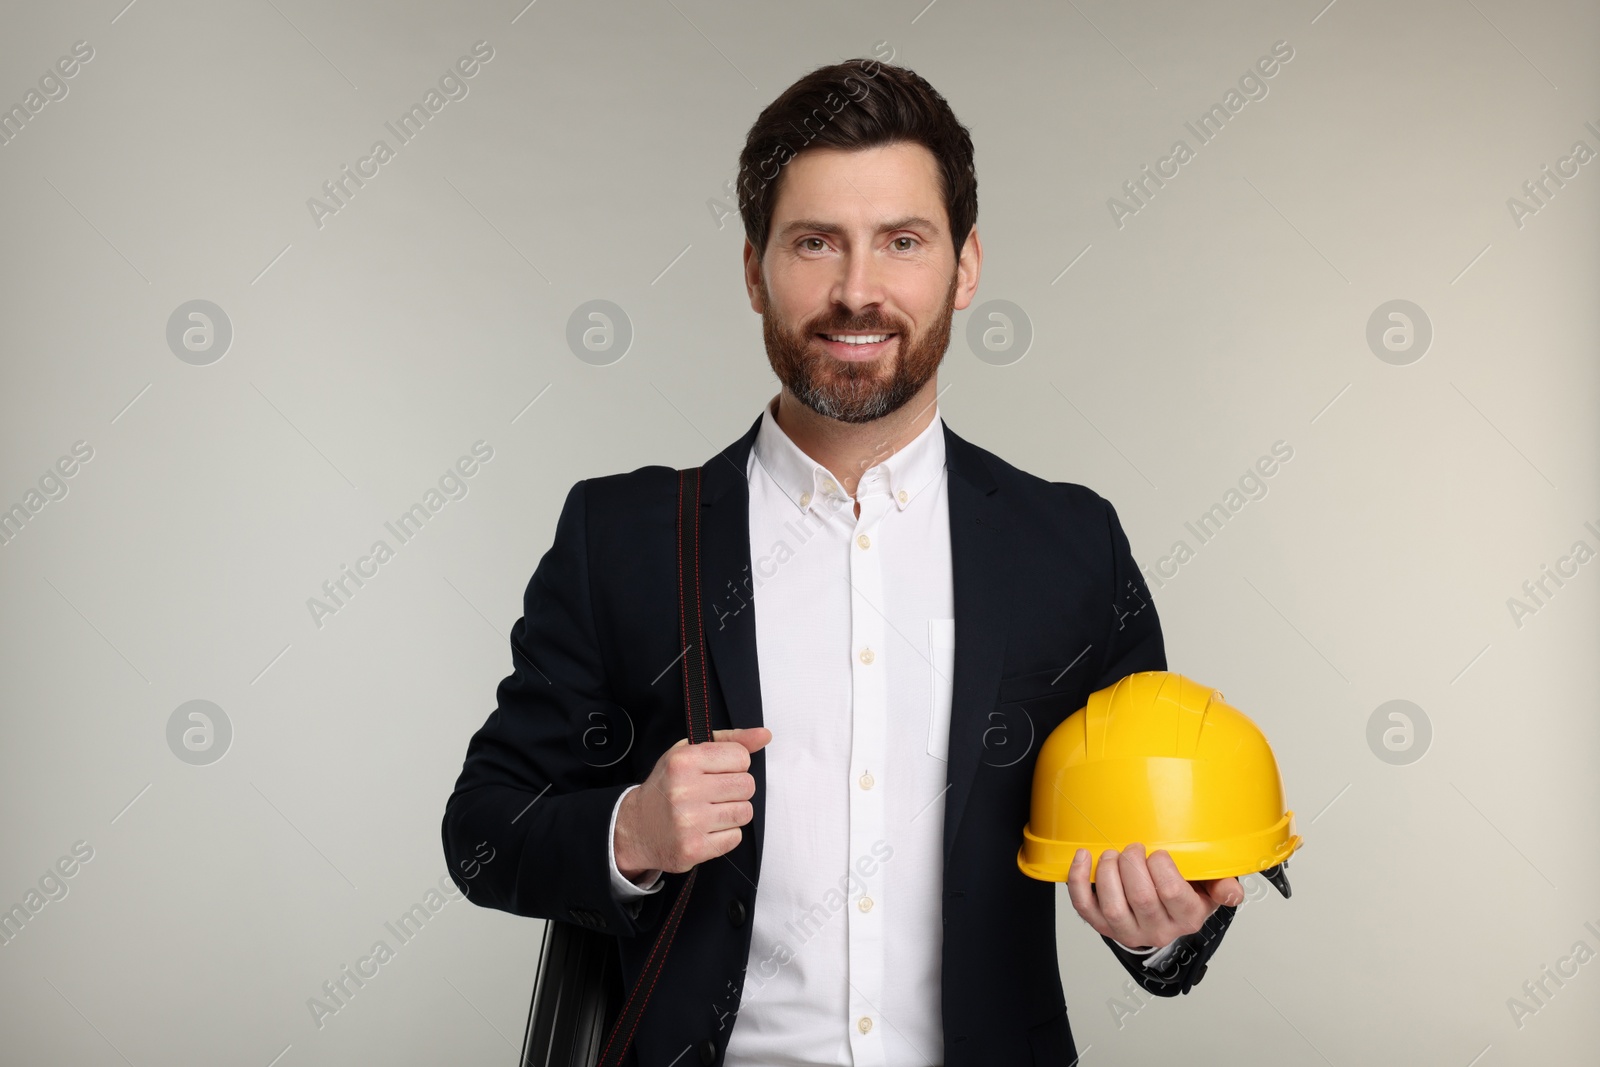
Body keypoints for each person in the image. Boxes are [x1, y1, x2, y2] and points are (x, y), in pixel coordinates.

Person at [442, 58, 1245, 1067]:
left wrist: (1158, 926)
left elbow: (1165, 838)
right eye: (814, 242)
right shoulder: (623, 537)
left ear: (964, 266)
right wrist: (631, 831)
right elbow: (483, 829)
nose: (856, 290)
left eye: (901, 242)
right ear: (753, 270)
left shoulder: (1070, 545)